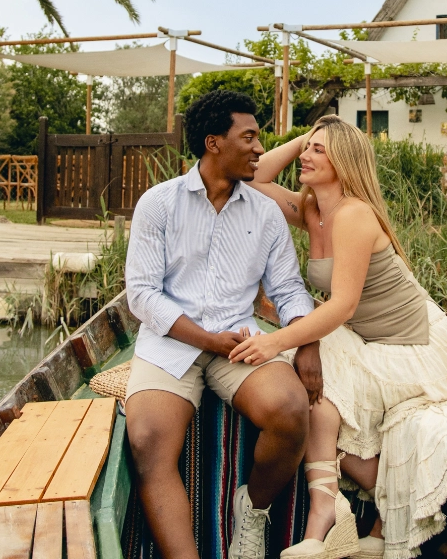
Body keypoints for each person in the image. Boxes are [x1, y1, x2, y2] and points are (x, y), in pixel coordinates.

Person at [229, 116, 447, 559]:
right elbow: (253, 177)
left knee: (309, 371)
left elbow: (342, 306)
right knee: (313, 380)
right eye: (306, 149)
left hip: (417, 345)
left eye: (319, 151)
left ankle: (329, 517)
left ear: (345, 162)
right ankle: (347, 516)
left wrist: (274, 341)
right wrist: (307, 135)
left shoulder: (354, 215)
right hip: (370, 339)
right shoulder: (313, 211)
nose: (306, 156)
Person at [123, 90, 320, 559]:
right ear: (213, 143)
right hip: (173, 342)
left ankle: (250, 513)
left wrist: (307, 344)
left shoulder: (266, 213)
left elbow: (290, 290)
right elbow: (142, 295)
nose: (258, 149)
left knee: (292, 411)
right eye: (249, 137)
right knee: (147, 438)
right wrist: (205, 337)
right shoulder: (159, 204)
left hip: (240, 342)